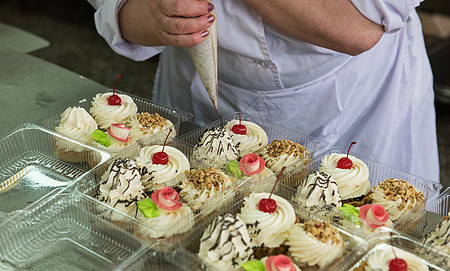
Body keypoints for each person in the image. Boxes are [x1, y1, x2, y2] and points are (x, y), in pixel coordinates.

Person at [87, 0, 440, 182]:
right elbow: (116, 6)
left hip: (350, 106)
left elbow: (356, 26)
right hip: (192, 89)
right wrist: (154, 17)